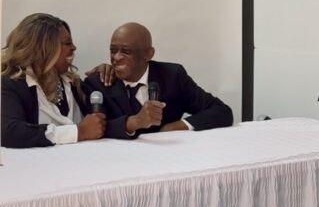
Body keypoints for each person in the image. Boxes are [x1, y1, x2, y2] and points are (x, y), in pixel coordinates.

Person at [83, 22, 233, 139]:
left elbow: (222, 111)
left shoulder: (173, 76)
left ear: (149, 54)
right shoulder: (99, 83)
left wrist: (179, 126)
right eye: (113, 50)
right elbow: (95, 129)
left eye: (126, 51)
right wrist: (133, 122)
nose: (116, 57)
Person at [1, 13, 106, 148]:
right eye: (67, 43)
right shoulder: (10, 84)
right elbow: (8, 132)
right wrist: (78, 132)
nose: (74, 47)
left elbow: (107, 117)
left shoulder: (72, 83)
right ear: (43, 48)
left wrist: (111, 73)